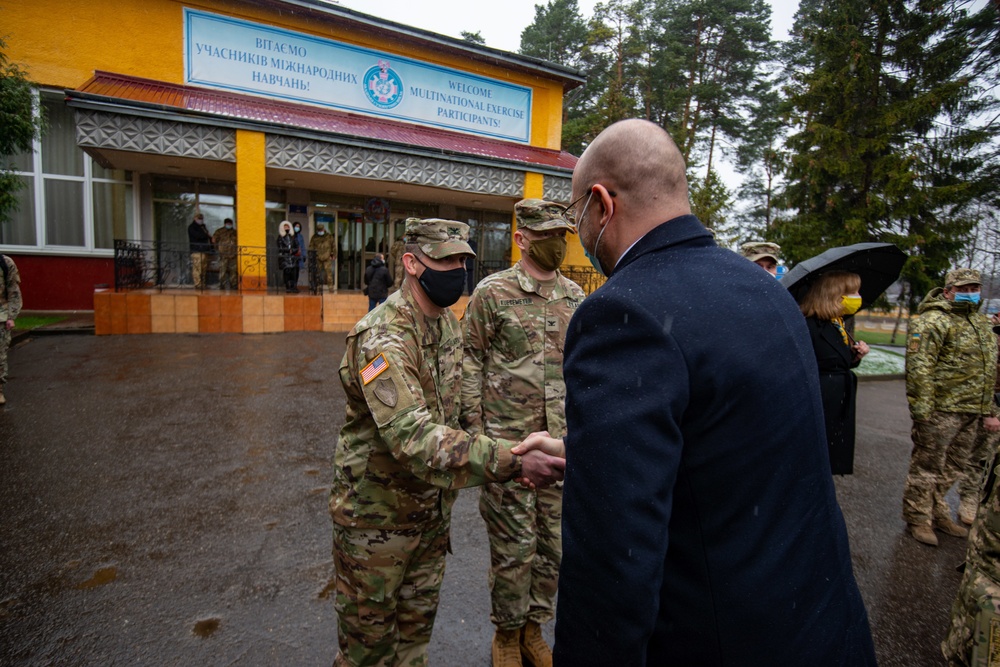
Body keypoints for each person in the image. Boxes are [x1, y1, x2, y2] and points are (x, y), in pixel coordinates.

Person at [533, 119, 875, 665]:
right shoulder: (764, 292)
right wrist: (590, 457)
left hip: (718, 640)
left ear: (602, 203)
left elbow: (613, 562)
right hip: (819, 624)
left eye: (577, 216)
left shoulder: (623, 312)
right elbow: (735, 445)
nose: (580, 231)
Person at [330, 218, 565, 667]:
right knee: (369, 654)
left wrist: (502, 448)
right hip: (375, 527)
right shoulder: (382, 337)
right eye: (446, 260)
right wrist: (513, 461)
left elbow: (456, 415)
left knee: (414, 647)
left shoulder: (447, 328)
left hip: (430, 518)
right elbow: (413, 435)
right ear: (412, 264)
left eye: (463, 259)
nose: (457, 269)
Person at [461, 199, 584, 667]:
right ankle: (507, 636)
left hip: (558, 451)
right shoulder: (492, 294)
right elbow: (468, 362)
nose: (557, 242)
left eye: (563, 234)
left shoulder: (576, 298)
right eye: (548, 233)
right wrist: (478, 438)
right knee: (513, 550)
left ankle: (534, 628)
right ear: (521, 238)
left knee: (552, 547)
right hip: (508, 450)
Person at [902, 268, 1000, 546]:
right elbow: (920, 368)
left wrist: (989, 408)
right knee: (927, 466)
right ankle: (918, 519)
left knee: (954, 467)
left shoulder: (981, 324)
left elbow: (989, 369)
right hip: (941, 410)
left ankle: (937, 511)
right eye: (964, 289)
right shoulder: (933, 321)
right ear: (947, 292)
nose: (970, 294)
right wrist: (922, 411)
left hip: (973, 410)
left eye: (974, 288)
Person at [798, 270, 871, 474]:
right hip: (821, 397)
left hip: (838, 395)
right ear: (834, 294)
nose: (857, 297)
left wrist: (855, 356)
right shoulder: (809, 325)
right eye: (853, 292)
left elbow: (837, 360)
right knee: (817, 456)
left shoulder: (837, 322)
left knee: (831, 455)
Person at [957, 313, 1000, 526]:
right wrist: (990, 412)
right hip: (993, 403)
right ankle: (969, 498)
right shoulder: (989, 333)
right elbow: (981, 375)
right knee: (982, 457)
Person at [0, 254, 23, 406]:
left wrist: (11, 316)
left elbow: (13, 291)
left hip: (0, 316)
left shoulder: (6, 263)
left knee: (0, 355)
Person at [187, 213, 213, 289]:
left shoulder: (203, 227)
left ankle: (203, 284)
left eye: (202, 218)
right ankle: (198, 284)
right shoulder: (192, 227)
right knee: (197, 268)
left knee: (203, 268)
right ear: (195, 218)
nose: (201, 220)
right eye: (199, 218)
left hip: (204, 250)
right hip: (197, 250)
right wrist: (207, 235)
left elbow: (206, 236)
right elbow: (199, 236)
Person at [212, 218, 238, 291]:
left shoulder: (234, 232)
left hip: (233, 255)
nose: (229, 225)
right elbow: (214, 240)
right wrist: (218, 249)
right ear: (225, 224)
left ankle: (233, 284)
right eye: (228, 224)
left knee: (233, 271)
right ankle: (221, 285)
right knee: (222, 270)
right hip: (223, 255)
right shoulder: (219, 231)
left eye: (230, 224)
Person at [308, 224, 337, 290]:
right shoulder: (314, 237)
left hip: (327, 256)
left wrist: (333, 254)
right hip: (318, 257)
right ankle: (317, 286)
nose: (320, 231)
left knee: (329, 273)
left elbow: (333, 246)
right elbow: (311, 247)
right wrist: (312, 255)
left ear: (324, 229)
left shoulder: (329, 236)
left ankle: (330, 287)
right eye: (319, 230)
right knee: (317, 272)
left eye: (321, 230)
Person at [276, 221, 299, 293]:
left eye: (288, 226)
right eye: (285, 227)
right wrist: (288, 250)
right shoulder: (280, 237)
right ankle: (288, 287)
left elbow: (297, 246)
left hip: (292, 258)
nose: (287, 228)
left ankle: (294, 287)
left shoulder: (293, 237)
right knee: (287, 272)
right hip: (285, 258)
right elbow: (280, 248)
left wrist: (293, 251)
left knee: (294, 272)